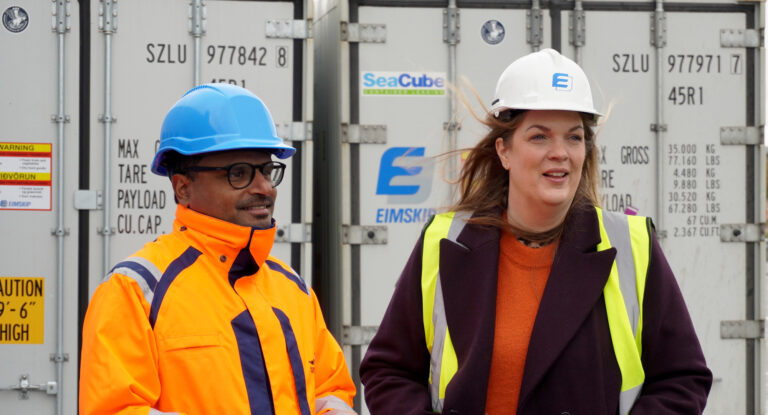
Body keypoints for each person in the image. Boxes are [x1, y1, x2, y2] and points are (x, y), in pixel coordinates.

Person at [359, 49, 712, 414]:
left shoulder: (632, 245)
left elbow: (682, 379)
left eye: (574, 137)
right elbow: (389, 370)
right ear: (504, 151)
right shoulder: (446, 240)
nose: (560, 152)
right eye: (540, 137)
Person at [80, 84, 356, 415]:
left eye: (267, 171)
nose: (264, 187)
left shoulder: (292, 288)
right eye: (238, 173)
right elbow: (115, 409)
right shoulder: (135, 291)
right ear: (183, 188)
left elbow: (331, 390)